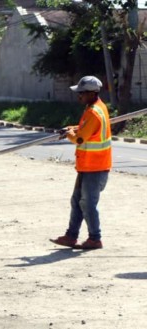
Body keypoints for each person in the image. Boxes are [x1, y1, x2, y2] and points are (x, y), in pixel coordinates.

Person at [50, 76, 112, 250]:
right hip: (87, 165)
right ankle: (71, 236)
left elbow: (80, 139)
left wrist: (69, 133)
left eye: (81, 93)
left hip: (95, 167)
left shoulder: (94, 112)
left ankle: (95, 238)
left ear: (92, 93)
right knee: (77, 200)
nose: (79, 97)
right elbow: (84, 129)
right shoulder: (95, 108)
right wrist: (71, 128)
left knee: (87, 203)